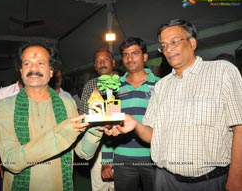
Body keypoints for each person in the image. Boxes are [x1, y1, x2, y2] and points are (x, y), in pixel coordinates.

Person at [105, 19, 242, 191]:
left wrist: (237, 178)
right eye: (163, 45)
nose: (168, 49)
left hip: (210, 181)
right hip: (165, 180)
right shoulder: (162, 86)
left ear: (192, 43)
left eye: (174, 42)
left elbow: (240, 127)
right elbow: (152, 135)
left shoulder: (222, 71)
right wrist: (134, 124)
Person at [0, 41, 102, 190]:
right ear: (20, 71)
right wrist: (62, 133)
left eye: (40, 63)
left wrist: (96, 127)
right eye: (27, 64)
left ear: (51, 71)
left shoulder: (67, 103)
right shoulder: (5, 106)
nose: (33, 68)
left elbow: (83, 153)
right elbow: (10, 160)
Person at [102, 37, 160, 191]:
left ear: (145, 56)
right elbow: (109, 123)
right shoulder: (114, 88)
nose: (129, 58)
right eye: (126, 54)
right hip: (123, 158)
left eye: (134, 53)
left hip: (154, 158)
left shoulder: (160, 85)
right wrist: (107, 161)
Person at [79, 48, 116, 191]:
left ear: (113, 62)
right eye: (98, 61)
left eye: (105, 59)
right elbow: (82, 113)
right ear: (94, 66)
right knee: (99, 185)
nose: (101, 63)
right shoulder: (90, 85)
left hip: (121, 142)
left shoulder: (122, 83)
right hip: (97, 142)